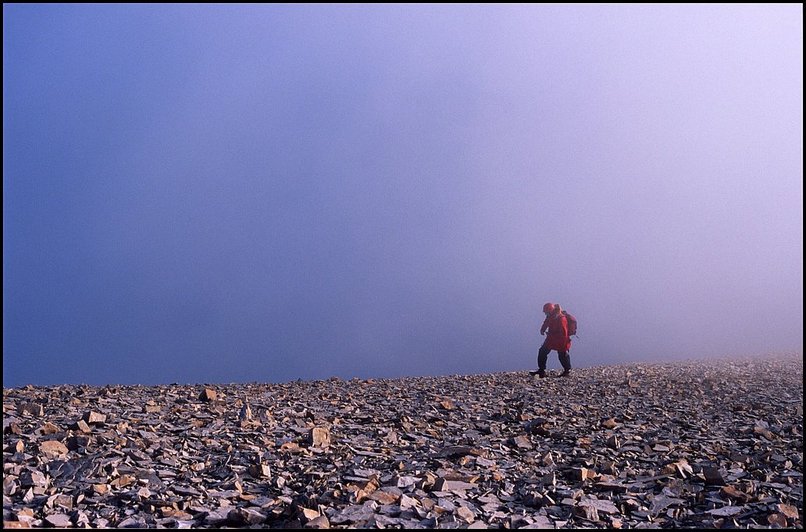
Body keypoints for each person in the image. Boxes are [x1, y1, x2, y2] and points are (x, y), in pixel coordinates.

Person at [532, 302, 572, 378]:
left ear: (550, 310)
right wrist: (542, 330)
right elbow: (546, 322)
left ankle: (567, 371)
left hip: (561, 340)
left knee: (562, 355)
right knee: (542, 352)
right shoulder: (550, 316)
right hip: (551, 339)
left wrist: (564, 344)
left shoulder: (561, 318)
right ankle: (541, 371)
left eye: (546, 312)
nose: (545, 314)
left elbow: (564, 333)